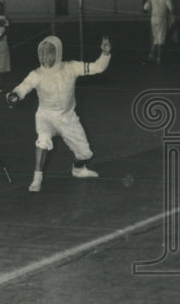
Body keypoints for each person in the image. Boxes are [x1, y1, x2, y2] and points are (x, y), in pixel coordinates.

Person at [6, 35, 112, 192]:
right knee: (42, 140)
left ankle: (78, 169)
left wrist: (105, 54)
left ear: (57, 53)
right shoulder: (36, 74)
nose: (44, 57)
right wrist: (14, 95)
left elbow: (98, 67)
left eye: (48, 53)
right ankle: (37, 178)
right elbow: (23, 87)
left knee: (85, 153)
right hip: (45, 116)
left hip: (67, 117)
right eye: (42, 53)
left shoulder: (71, 67)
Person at [143, 0, 174, 65]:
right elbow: (171, 9)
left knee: (156, 38)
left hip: (153, 18)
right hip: (161, 18)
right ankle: (159, 58)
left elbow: (145, 8)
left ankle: (151, 56)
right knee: (161, 38)